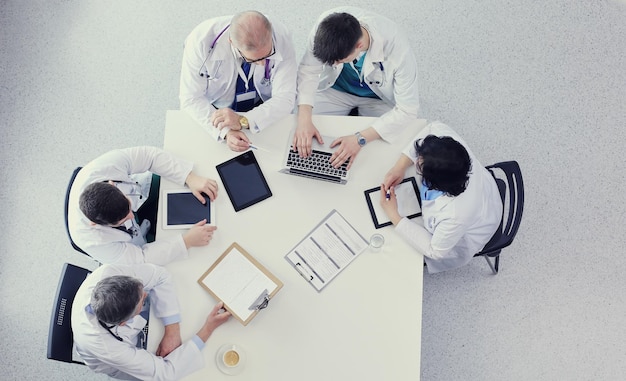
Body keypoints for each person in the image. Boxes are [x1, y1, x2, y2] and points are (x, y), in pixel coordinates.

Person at [295, 6, 420, 169]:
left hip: (376, 98)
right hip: (336, 89)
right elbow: (309, 70)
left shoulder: (398, 49)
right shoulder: (325, 27)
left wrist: (360, 138)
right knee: (306, 135)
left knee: (381, 155)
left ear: (359, 45)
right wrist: (304, 120)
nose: (333, 65)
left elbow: (408, 110)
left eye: (339, 60)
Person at [379, 122, 503, 273]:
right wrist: (400, 166)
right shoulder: (451, 148)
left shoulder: (456, 214)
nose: (416, 162)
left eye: (420, 165)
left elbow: (435, 251)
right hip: (482, 193)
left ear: (436, 183)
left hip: (472, 229)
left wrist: (394, 215)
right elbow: (433, 127)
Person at [72, 263, 231, 380]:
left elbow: (160, 276)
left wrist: (172, 330)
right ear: (123, 323)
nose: (146, 295)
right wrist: (208, 328)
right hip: (112, 362)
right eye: (141, 301)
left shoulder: (108, 273)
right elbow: (165, 373)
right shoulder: (108, 348)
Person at [68, 146, 218, 265]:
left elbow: (149, 157)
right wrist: (186, 241)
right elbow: (141, 258)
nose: (131, 216)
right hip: (133, 243)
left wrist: (189, 177)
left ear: (112, 185)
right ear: (94, 224)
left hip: (141, 191)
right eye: (122, 220)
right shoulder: (93, 241)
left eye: (128, 206)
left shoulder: (102, 168)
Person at [179, 10, 297, 152]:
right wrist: (226, 131)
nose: (262, 64)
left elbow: (286, 97)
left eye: (269, 54)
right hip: (217, 111)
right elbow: (191, 98)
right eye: (254, 60)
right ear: (232, 42)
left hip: (264, 108)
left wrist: (244, 120)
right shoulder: (200, 41)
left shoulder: (281, 36)